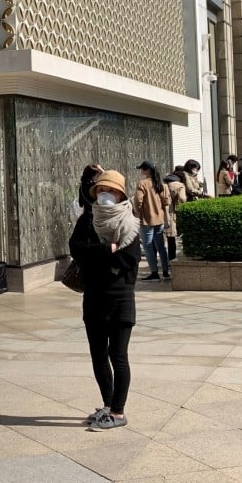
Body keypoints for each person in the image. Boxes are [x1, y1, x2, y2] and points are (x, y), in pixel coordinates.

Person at [69, 169, 140, 430]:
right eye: (100, 190)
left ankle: (119, 412)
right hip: (94, 296)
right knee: (98, 354)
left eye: (110, 191)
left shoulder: (130, 223)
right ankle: (108, 405)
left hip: (120, 298)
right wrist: (104, 250)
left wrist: (97, 257)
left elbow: (128, 261)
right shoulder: (87, 220)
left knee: (118, 354)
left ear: (121, 194)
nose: (104, 195)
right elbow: (76, 250)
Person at [134, 161, 172, 281]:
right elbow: (166, 201)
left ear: (147, 170)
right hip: (159, 219)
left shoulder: (143, 184)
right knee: (161, 246)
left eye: (142, 169)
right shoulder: (161, 184)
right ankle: (166, 272)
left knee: (148, 246)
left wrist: (137, 213)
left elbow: (138, 201)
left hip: (146, 220)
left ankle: (154, 273)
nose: (141, 172)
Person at [162, 168, 188, 261]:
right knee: (173, 235)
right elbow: (182, 199)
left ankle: (166, 260)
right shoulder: (180, 185)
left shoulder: (163, 184)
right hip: (172, 212)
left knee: (165, 238)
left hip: (161, 212)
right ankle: (172, 259)